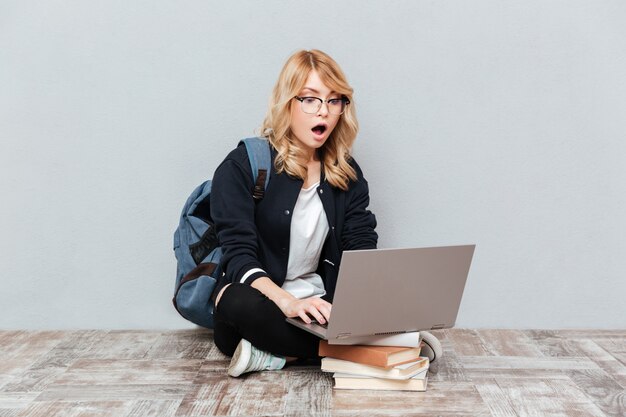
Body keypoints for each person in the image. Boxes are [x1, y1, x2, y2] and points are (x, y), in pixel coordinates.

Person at [209, 49, 441, 378]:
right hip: (263, 299)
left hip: (319, 303)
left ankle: (277, 356)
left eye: (335, 101)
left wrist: (362, 306)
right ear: (287, 102)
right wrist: (287, 303)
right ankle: (377, 353)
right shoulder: (242, 166)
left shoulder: (345, 174)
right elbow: (238, 257)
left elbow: (359, 246)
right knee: (235, 303)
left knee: (385, 298)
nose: (324, 111)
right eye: (310, 99)